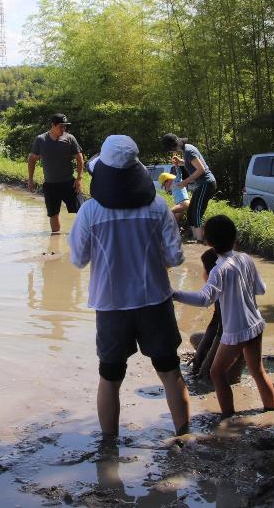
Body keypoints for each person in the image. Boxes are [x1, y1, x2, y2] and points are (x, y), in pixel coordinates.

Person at [69, 135, 190, 437]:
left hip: (111, 306)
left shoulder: (90, 212)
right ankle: (184, 436)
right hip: (155, 302)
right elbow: (175, 258)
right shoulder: (158, 207)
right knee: (170, 371)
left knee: (110, 376)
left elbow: (78, 260)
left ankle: (108, 450)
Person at [173, 215, 274, 418]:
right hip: (255, 324)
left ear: (209, 243)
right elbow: (261, 289)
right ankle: (270, 410)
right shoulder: (246, 259)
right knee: (257, 371)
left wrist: (174, 294)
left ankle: (228, 417)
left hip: (235, 331)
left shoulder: (219, 269)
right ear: (234, 238)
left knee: (216, 373)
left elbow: (204, 299)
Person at [188, 248, 244, 383]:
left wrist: (203, 367)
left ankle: (226, 371)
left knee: (206, 378)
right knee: (196, 338)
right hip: (232, 342)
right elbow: (214, 324)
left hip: (236, 347)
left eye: (204, 269)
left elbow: (221, 333)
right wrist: (199, 357)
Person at [28, 113, 85, 234]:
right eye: (61, 126)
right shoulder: (41, 140)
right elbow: (32, 159)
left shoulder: (69, 139)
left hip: (69, 183)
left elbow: (79, 158)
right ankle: (56, 240)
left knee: (82, 210)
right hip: (50, 185)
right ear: (53, 125)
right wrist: (30, 179)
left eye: (65, 126)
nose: (63, 129)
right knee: (53, 215)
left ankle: (81, 235)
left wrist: (79, 178)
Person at [162, 134, 216, 242]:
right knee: (191, 212)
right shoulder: (187, 149)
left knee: (197, 212)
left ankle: (200, 241)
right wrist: (180, 161)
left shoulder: (189, 151)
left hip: (206, 183)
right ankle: (196, 238)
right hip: (201, 184)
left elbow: (201, 169)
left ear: (174, 146)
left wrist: (185, 182)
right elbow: (191, 163)